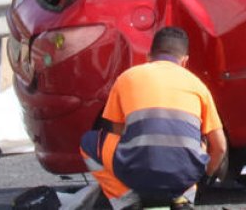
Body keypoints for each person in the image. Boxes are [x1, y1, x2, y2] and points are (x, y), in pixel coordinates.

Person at [79, 27, 227, 210]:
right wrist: (203, 176)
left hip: (136, 170)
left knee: (89, 142)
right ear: (185, 61)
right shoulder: (198, 85)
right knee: (199, 141)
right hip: (183, 175)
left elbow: (117, 133)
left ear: (149, 57)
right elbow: (220, 147)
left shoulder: (127, 78)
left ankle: (127, 201)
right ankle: (184, 197)